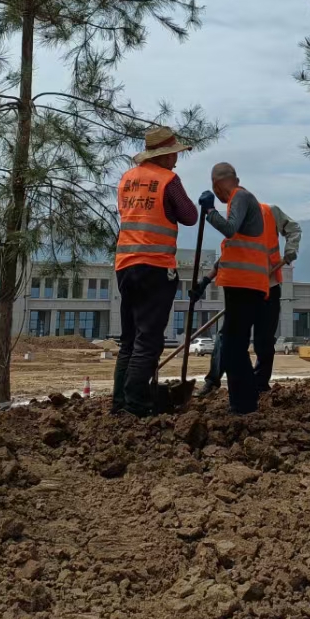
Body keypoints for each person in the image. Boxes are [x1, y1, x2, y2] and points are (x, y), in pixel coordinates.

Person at [112, 125, 198, 416]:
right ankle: (136, 406)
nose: (176, 159)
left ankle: (119, 404)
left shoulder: (127, 179)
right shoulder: (168, 180)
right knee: (149, 340)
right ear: (163, 156)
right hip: (155, 266)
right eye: (173, 154)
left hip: (125, 265)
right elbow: (189, 216)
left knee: (129, 339)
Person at [197, 202, 301, 399]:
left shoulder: (270, 212)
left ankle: (260, 384)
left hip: (267, 287)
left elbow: (293, 227)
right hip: (242, 290)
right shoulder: (234, 224)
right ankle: (212, 381)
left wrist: (290, 251)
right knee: (227, 337)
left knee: (264, 339)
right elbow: (227, 257)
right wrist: (205, 280)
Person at [197, 163, 274, 415]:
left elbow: (228, 228)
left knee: (234, 346)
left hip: (245, 285)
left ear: (216, 185)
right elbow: (233, 246)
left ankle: (243, 405)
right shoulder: (241, 202)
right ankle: (244, 401)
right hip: (241, 284)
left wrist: (209, 210)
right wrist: (206, 279)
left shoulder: (240, 196)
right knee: (233, 344)